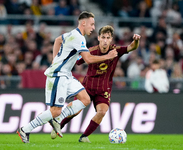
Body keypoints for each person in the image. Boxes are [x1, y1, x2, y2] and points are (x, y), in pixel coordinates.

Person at [16, 11, 118, 143]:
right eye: (92, 24)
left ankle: (57, 120)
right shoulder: (78, 38)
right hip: (58, 75)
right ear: (83, 23)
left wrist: (54, 59)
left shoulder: (72, 34)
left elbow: (58, 40)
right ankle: (25, 129)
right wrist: (107, 56)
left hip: (66, 75)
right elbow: (88, 59)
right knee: (55, 111)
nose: (93, 27)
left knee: (85, 99)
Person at [51, 25, 141, 142]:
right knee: (75, 111)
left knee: (102, 111)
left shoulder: (116, 50)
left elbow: (131, 47)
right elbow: (77, 61)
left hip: (103, 89)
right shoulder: (90, 51)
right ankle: (59, 126)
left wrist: (136, 40)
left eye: (108, 38)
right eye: (103, 37)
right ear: (98, 38)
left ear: (111, 39)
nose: (105, 40)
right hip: (88, 87)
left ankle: (84, 137)